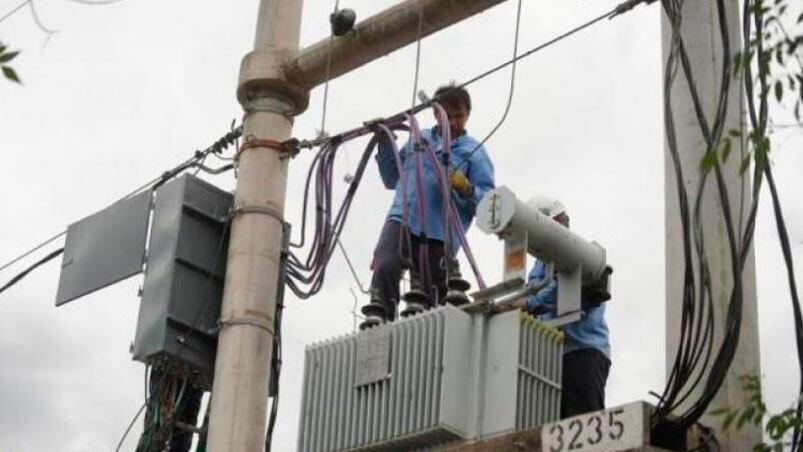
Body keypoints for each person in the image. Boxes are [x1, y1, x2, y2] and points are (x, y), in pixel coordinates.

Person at [361, 84, 495, 327]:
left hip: (439, 232)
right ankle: (379, 321)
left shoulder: (473, 151)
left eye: (459, 116)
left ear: (468, 115)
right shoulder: (418, 139)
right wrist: (384, 142)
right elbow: (391, 178)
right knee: (386, 264)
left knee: (431, 294)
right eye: (448, 115)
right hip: (402, 218)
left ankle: (428, 343)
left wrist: (466, 187)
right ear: (435, 113)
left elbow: (488, 202)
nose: (453, 122)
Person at [524, 196, 611, 419]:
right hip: (550, 356)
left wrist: (528, 304)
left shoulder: (580, 254)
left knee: (583, 426)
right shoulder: (539, 265)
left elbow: (559, 287)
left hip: (583, 352)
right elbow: (531, 295)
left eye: (562, 221)